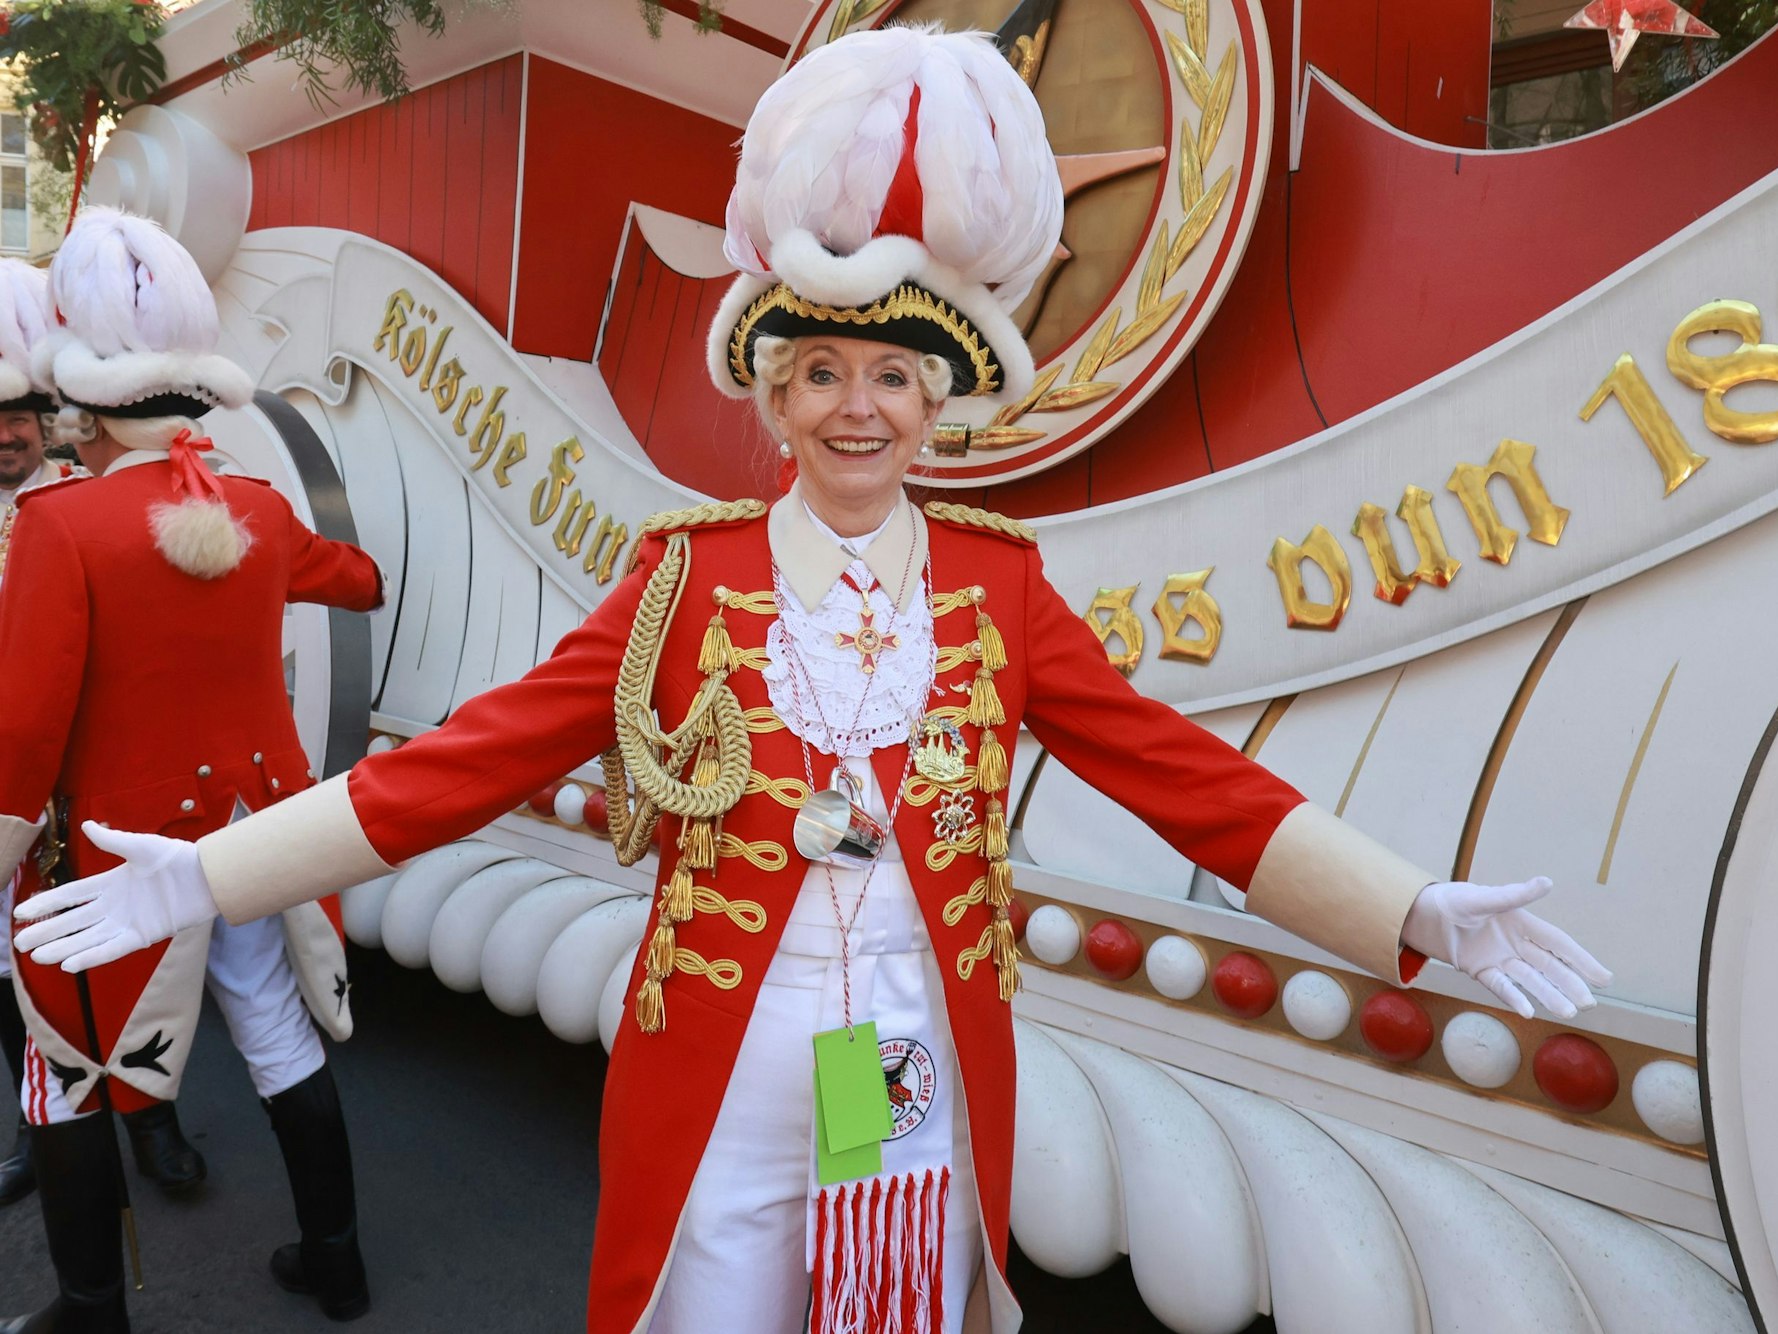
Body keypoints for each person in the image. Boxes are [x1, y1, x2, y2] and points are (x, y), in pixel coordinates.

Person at [14, 30, 1609, 1334]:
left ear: (943, 398)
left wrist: (1403, 908)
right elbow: (465, 762)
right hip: (719, 1059)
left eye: (895, 377)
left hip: (906, 1057)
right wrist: (208, 876)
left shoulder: (998, 586)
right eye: (823, 373)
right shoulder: (685, 579)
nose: (860, 410)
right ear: (771, 391)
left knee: (887, 1311)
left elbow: (1179, 772)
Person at [0, 209, 386, 1333]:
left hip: (116, 846)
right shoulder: (256, 510)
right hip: (255, 826)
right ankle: (338, 1261)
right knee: (276, 1032)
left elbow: (24, 735)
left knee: (65, 1069)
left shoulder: (59, 525)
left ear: (88, 396)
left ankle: (90, 1305)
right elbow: (359, 579)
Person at [0, 258, 206, 1211]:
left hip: (90, 776)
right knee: (16, 972)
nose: (5, 435)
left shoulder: (91, 499)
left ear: (48, 418)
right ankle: (38, 1126)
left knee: (115, 957)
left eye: (19, 417)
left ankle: (149, 1120)